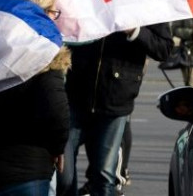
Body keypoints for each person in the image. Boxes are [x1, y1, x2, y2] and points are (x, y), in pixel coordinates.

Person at [0, 0, 70, 196]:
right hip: (25, 169)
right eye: (53, 12)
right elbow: (55, 110)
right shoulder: (44, 48)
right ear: (46, 10)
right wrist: (58, 147)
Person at [58, 22, 172, 196]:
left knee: (104, 176)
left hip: (116, 98)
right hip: (76, 94)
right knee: (63, 174)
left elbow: (163, 49)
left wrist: (134, 30)